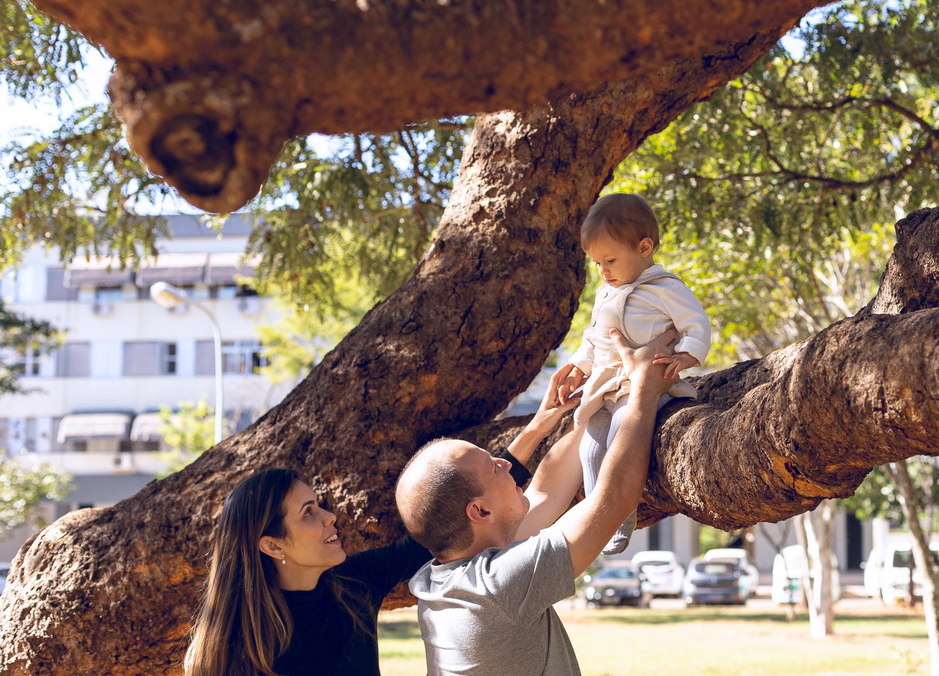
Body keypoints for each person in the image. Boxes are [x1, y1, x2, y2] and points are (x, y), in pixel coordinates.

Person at [182, 393, 572, 676]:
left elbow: (451, 520)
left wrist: (537, 428)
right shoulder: (235, 649)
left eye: (319, 505)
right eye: (308, 513)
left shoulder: (351, 585)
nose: (329, 517)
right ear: (271, 545)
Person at [395, 328, 676, 676]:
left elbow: (545, 492)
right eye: (493, 467)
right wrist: (644, 389)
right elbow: (615, 497)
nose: (506, 463)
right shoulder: (497, 586)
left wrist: (600, 399)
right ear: (480, 512)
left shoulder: (442, 579)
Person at [560, 192, 711, 553]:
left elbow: (696, 324)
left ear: (644, 247)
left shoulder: (666, 288)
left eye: (610, 260)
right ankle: (598, 515)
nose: (603, 271)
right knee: (590, 450)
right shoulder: (605, 294)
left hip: (641, 389)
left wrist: (687, 357)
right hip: (605, 387)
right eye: (596, 263)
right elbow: (593, 338)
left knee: (619, 439)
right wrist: (579, 368)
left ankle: (618, 518)